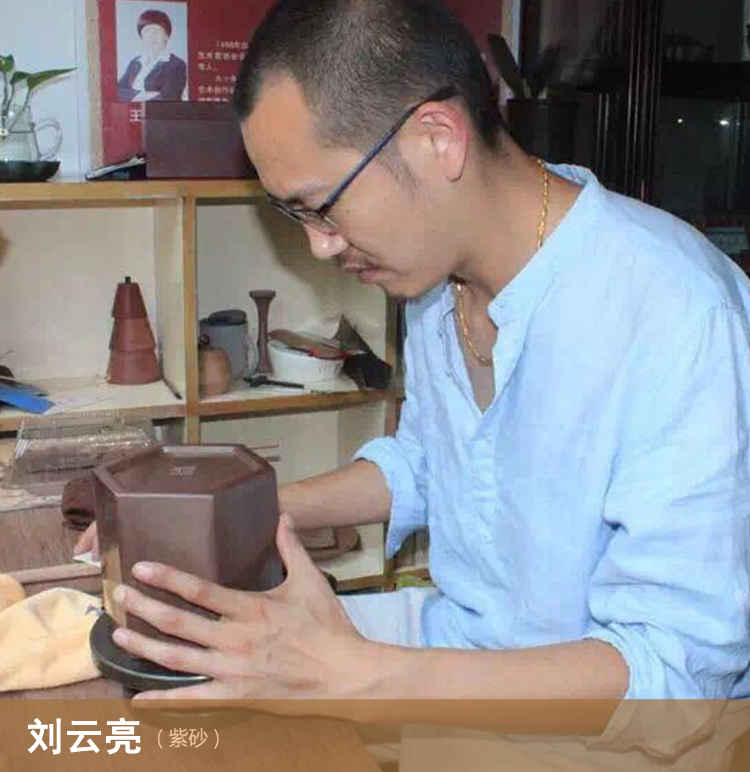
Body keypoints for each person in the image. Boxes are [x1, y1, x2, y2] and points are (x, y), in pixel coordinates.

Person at [76, 0, 750, 715]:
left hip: (605, 731)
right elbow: (432, 465)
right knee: (155, 670)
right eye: (294, 214)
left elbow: (675, 673)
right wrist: (238, 511)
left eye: (322, 205)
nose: (320, 245)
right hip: (453, 651)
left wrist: (357, 678)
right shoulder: (437, 276)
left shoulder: (678, 313)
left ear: (437, 139)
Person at [117, 9, 187, 102]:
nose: (152, 35)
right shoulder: (136, 62)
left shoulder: (176, 65)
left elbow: (168, 99)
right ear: (141, 36)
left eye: (157, 31)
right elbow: (117, 90)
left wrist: (130, 95)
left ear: (166, 36)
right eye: (147, 31)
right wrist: (141, 96)